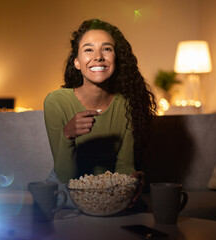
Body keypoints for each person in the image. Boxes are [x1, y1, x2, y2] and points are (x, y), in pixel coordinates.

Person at [44, 19, 156, 208]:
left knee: (138, 208)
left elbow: (124, 165)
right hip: (66, 187)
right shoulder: (56, 101)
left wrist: (133, 178)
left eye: (106, 49)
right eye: (88, 49)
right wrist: (68, 135)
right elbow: (65, 175)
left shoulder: (128, 105)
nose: (98, 56)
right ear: (77, 63)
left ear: (116, 59)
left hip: (107, 186)